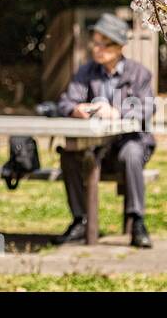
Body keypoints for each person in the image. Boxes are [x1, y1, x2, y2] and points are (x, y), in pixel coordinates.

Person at [52, 13, 156, 249]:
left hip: (127, 144)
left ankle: (137, 221)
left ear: (119, 46)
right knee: (69, 155)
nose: (97, 49)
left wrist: (116, 112)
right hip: (95, 146)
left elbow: (147, 108)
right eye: (95, 43)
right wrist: (77, 109)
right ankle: (81, 221)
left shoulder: (138, 73)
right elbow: (65, 102)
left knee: (131, 153)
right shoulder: (86, 72)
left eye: (103, 43)